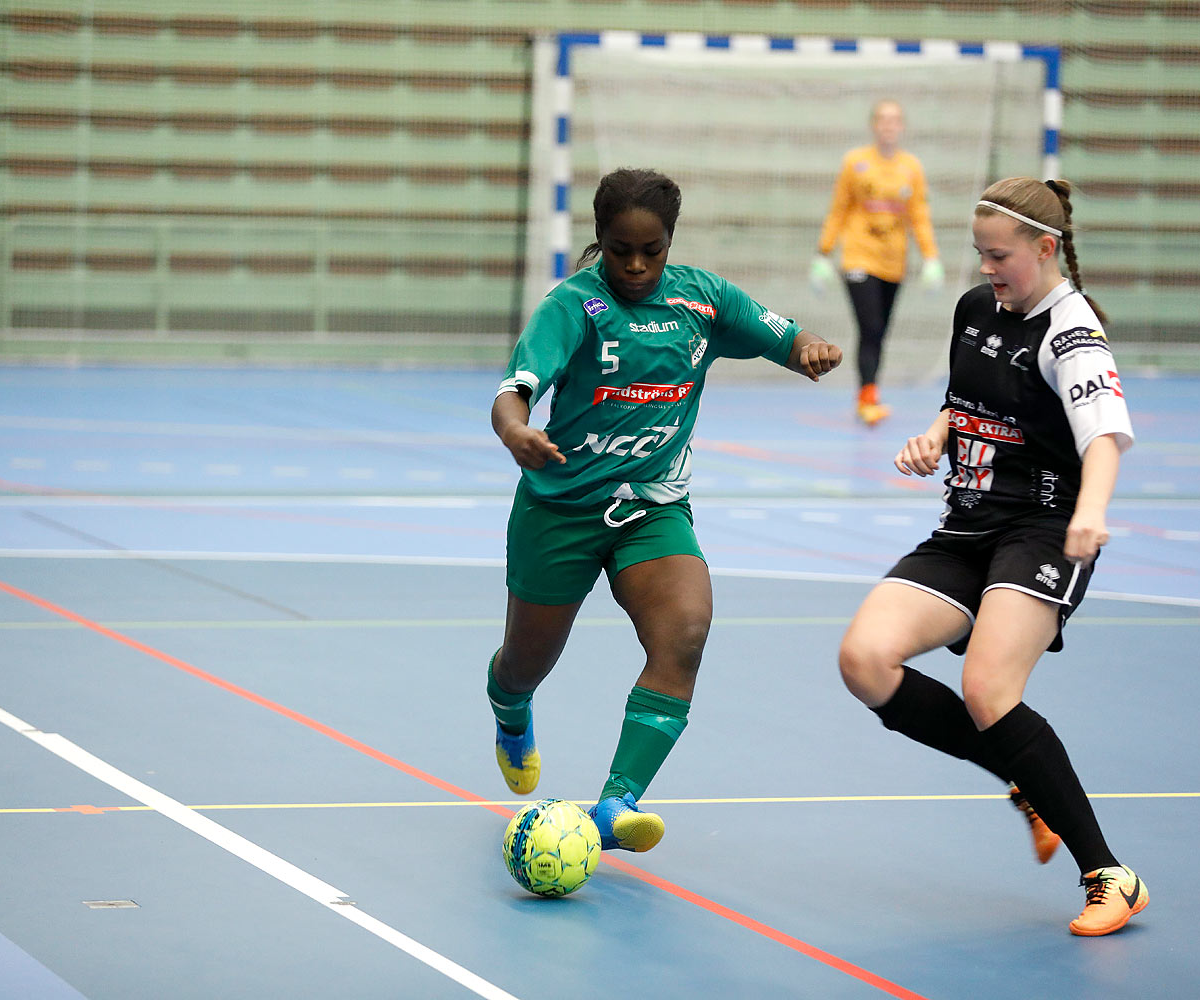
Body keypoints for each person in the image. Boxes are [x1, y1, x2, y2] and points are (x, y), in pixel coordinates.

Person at [488, 167, 842, 853]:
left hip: (652, 510)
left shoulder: (702, 301)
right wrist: (515, 430)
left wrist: (810, 351)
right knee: (526, 664)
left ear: (670, 241)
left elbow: (786, 337)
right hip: (560, 511)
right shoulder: (573, 306)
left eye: (652, 249)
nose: (637, 264)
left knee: (684, 633)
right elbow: (515, 390)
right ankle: (509, 707)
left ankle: (616, 805)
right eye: (621, 249)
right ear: (601, 241)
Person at [836, 177, 1148, 936]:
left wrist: (1092, 512)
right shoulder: (979, 308)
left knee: (987, 689)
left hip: (1043, 530)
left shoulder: (1071, 334)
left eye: (999, 255)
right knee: (864, 659)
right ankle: (1023, 776)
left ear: (1046, 249)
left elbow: (1104, 436)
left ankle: (1111, 875)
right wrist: (938, 434)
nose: (986, 268)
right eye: (979, 253)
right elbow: (967, 398)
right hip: (968, 526)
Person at [811, 98, 944, 427]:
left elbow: (919, 216)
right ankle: (867, 397)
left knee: (879, 332)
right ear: (874, 125)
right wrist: (823, 253)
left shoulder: (911, 168)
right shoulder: (855, 163)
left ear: (901, 126)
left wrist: (931, 258)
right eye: (883, 119)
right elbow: (839, 208)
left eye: (895, 119)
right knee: (869, 327)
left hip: (893, 261)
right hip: (858, 257)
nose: (889, 125)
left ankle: (869, 392)